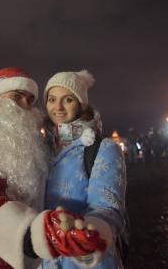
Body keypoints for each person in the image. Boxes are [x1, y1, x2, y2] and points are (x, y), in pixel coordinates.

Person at [0, 67, 107, 269]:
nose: (25, 106)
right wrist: (34, 234)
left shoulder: (33, 142)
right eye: (16, 97)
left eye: (30, 100)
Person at [42, 70, 127, 268]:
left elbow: (108, 209)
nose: (58, 107)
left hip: (86, 262)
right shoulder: (43, 151)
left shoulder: (102, 149)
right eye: (52, 99)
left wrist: (88, 236)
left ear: (81, 104)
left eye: (68, 99)